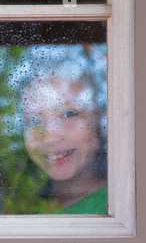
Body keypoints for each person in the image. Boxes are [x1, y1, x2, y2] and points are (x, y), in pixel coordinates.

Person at [20, 71, 107, 214]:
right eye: (33, 121)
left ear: (98, 121)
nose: (48, 138)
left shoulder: (122, 205)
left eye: (68, 114)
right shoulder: (20, 208)